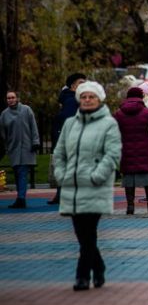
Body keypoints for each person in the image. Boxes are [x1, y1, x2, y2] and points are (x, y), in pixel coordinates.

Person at [53, 81, 121, 291]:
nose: (87, 100)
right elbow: (59, 153)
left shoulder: (108, 124)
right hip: (72, 188)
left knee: (88, 232)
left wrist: (96, 176)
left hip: (94, 187)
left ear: (99, 99)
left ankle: (82, 277)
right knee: (82, 235)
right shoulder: (70, 125)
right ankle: (98, 266)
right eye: (84, 97)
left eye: (91, 96)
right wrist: (61, 175)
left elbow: (112, 155)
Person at [113, 87, 148, 215]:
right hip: (145, 149)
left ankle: (130, 207)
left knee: (129, 179)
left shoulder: (118, 114)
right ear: (141, 97)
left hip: (126, 150)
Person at [49, 73, 85, 205]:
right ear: (73, 86)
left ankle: (61, 194)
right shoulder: (73, 100)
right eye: (81, 83)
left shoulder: (67, 98)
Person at [1, 91, 40, 209]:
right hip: (13, 148)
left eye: (12, 97)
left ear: (17, 98)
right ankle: (20, 197)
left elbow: (33, 126)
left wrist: (35, 142)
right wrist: (7, 146)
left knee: (22, 173)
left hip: (27, 147)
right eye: (8, 98)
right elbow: (3, 133)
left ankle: (21, 199)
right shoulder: (4, 114)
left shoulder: (26, 110)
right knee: (18, 174)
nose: (11, 100)